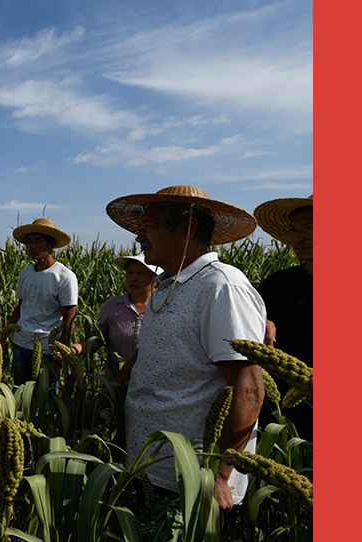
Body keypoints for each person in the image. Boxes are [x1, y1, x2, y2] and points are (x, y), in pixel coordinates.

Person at [105, 185, 266, 511]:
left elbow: (248, 389)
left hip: (192, 479)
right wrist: (108, 393)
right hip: (148, 466)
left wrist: (218, 476)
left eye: (147, 226)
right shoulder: (165, 285)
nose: (139, 238)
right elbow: (148, 355)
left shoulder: (222, 286)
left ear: (188, 227)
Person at [254, 195, 313, 441]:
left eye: (310, 228)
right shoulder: (277, 284)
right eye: (293, 229)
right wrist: (260, 323)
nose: (299, 237)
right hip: (278, 415)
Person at [6, 218, 79, 383]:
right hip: (21, 344)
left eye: (38, 241)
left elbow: (69, 322)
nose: (32, 246)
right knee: (20, 397)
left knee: (45, 402)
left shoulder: (64, 277)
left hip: (47, 350)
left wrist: (59, 358)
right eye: (29, 241)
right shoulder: (26, 273)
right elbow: (20, 308)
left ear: (52, 244)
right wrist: (5, 337)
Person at [88, 254, 160, 380]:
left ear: (155, 278)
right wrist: (75, 349)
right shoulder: (113, 306)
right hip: (115, 386)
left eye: (140, 273)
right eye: (130, 273)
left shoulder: (162, 308)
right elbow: (96, 340)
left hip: (152, 384)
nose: (133, 278)